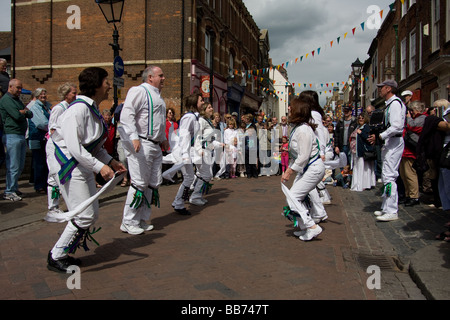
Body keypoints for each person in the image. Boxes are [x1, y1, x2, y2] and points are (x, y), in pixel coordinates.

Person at [47, 67, 127, 273]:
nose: (110, 86)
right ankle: (57, 255)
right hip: (69, 166)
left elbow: (94, 146)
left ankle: (63, 252)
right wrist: (100, 167)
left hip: (81, 165)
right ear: (97, 84)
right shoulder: (77, 110)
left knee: (90, 214)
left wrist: (111, 162)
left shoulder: (91, 110)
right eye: (106, 81)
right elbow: (74, 148)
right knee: (84, 214)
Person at [119, 65, 169, 235]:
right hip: (142, 143)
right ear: (150, 77)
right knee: (139, 182)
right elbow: (127, 114)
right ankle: (128, 221)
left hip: (154, 144)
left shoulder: (159, 97)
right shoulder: (139, 91)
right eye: (160, 76)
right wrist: (133, 136)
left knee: (152, 183)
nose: (163, 78)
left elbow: (158, 121)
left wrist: (163, 139)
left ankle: (142, 219)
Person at [281, 97, 324, 241]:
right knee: (294, 197)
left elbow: (304, 156)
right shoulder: (300, 128)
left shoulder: (303, 130)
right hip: (308, 168)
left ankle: (312, 226)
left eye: (291, 107)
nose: (289, 109)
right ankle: (306, 227)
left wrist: (289, 171)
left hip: (313, 168)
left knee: (292, 197)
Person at [368, 80, 406, 222]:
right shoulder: (390, 104)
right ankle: (386, 207)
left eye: (381, 88)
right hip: (390, 143)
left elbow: (396, 126)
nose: (379, 90)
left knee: (389, 176)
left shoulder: (395, 104)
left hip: (394, 142)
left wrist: (381, 135)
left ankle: (391, 210)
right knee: (386, 175)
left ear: (389, 89)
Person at [46, 82, 77, 215]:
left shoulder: (70, 107)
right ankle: (55, 207)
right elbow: (52, 129)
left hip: (63, 145)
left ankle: (55, 206)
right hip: (55, 146)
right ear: (66, 94)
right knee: (56, 176)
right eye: (73, 93)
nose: (76, 95)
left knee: (56, 177)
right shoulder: (59, 108)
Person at [170, 92, 203, 215]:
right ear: (195, 102)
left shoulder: (194, 117)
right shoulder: (189, 117)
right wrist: (185, 154)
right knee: (189, 177)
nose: (203, 103)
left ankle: (178, 202)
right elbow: (183, 136)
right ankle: (178, 203)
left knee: (189, 177)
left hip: (186, 150)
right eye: (201, 100)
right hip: (183, 151)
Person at [0, 79, 33, 201]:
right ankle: (9, 191)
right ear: (10, 87)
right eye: (18, 88)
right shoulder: (6, 100)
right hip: (11, 135)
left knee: (19, 165)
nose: (20, 90)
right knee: (13, 165)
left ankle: (14, 188)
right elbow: (16, 115)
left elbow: (30, 113)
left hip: (20, 135)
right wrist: (23, 113)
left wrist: (23, 112)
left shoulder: (17, 100)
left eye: (20, 88)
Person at [190, 102, 223, 205]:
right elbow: (198, 137)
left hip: (207, 151)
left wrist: (220, 144)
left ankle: (198, 195)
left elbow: (210, 139)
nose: (211, 109)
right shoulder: (201, 121)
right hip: (202, 151)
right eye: (209, 107)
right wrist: (199, 150)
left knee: (202, 174)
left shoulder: (208, 121)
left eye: (211, 107)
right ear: (204, 110)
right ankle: (194, 196)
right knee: (206, 175)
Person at [399, 101, 427, 207]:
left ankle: (414, 196)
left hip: (411, 151)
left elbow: (413, 126)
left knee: (410, 174)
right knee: (404, 174)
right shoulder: (415, 118)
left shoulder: (423, 118)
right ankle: (408, 194)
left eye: (412, 110)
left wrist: (408, 117)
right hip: (405, 150)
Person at [28, 88, 51, 194]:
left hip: (45, 137)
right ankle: (39, 185)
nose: (43, 96)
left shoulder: (46, 106)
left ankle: (45, 183)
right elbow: (41, 123)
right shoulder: (35, 107)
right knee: (39, 162)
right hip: (37, 137)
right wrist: (52, 127)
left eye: (45, 94)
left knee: (46, 162)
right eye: (41, 94)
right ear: (37, 96)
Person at [350, 113, 376, 192]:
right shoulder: (357, 127)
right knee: (357, 168)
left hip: (362, 151)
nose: (361, 119)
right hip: (355, 151)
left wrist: (361, 133)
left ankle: (363, 184)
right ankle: (356, 184)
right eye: (359, 118)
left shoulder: (366, 127)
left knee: (363, 168)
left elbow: (368, 138)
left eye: (362, 118)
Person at [243, 113, 258, 178]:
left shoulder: (252, 126)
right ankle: (249, 173)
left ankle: (254, 173)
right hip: (247, 146)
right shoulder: (245, 126)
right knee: (247, 162)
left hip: (252, 146)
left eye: (246, 119)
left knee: (252, 161)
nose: (244, 120)